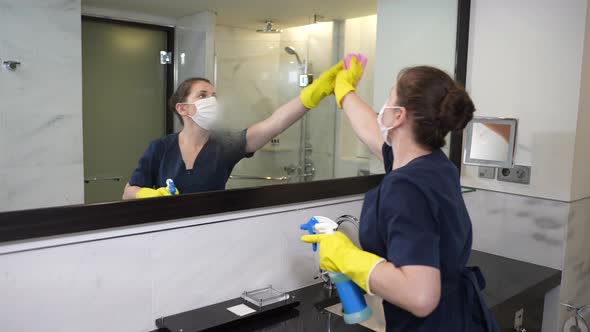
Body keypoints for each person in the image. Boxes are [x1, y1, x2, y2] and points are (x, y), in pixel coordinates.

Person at [301, 57, 499, 331]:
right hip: (461, 315)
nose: (382, 106)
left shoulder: (405, 186)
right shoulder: (434, 165)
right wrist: (344, 91)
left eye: (389, 97)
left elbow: (420, 296)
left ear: (399, 116)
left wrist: (345, 256)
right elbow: (374, 132)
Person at [122, 62, 342, 199]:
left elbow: (274, 123)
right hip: (168, 236)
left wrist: (314, 93)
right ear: (183, 108)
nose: (212, 101)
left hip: (214, 235)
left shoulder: (225, 144)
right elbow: (128, 192)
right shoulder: (160, 148)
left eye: (214, 96)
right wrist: (150, 194)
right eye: (202, 95)